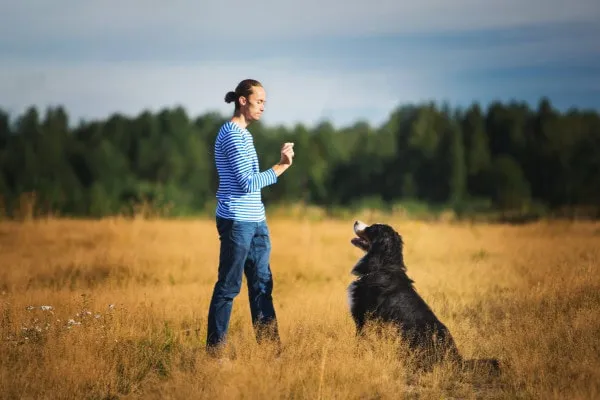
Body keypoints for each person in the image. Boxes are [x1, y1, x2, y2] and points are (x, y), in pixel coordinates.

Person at [206, 78, 295, 357]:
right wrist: (281, 167)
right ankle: (215, 354)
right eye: (259, 101)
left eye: (265, 103)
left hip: (256, 221)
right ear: (242, 101)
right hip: (236, 222)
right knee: (229, 287)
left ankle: (271, 354)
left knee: (262, 287)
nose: (263, 107)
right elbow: (247, 183)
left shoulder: (245, 135)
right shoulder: (232, 134)